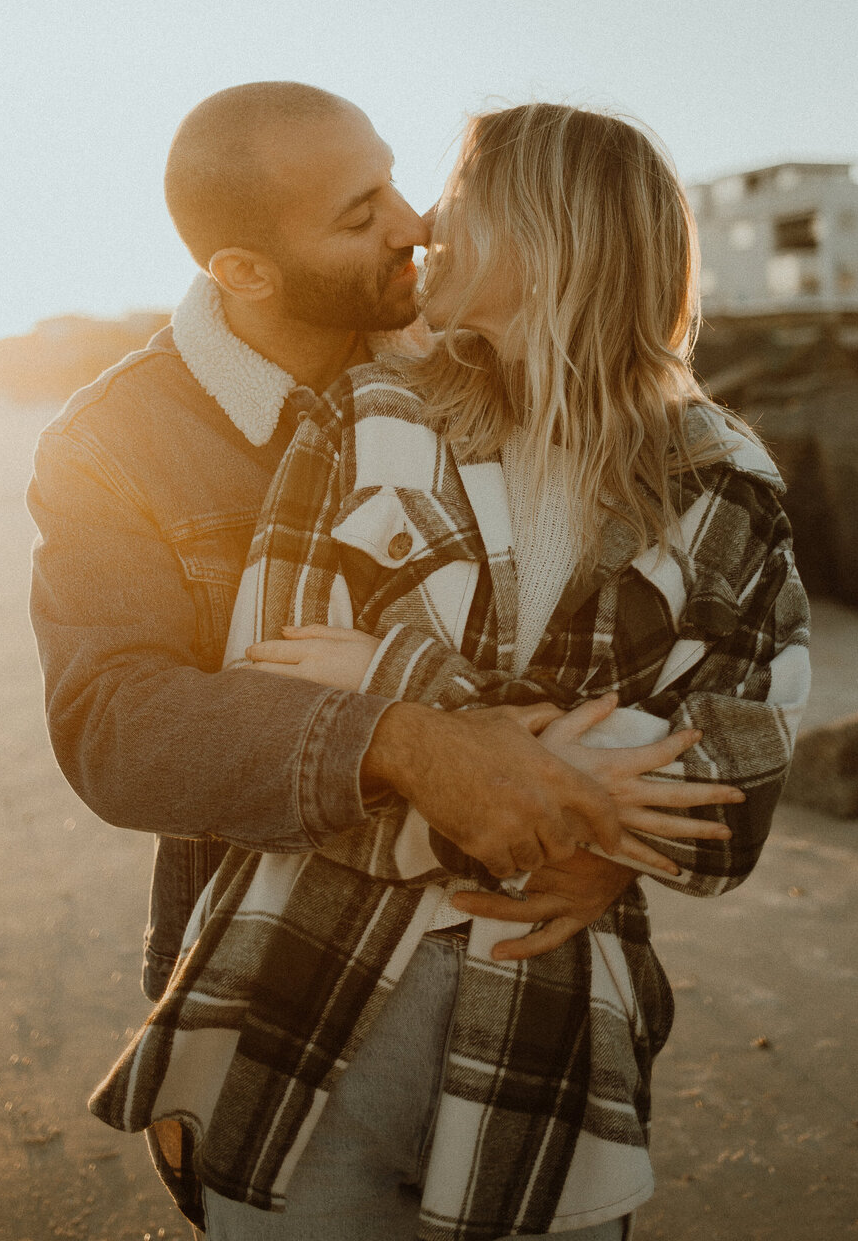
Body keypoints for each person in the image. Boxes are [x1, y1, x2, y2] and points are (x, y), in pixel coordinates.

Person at [90, 103, 811, 1241]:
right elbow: (258, 678)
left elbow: (736, 766)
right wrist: (575, 799)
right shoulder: (368, 413)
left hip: (548, 1019)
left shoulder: (720, 480)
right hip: (303, 988)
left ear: (551, 240)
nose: (422, 222)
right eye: (370, 207)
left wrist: (409, 685)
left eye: (444, 194)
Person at [30, 85, 660, 1198]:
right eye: (358, 213)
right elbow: (113, 727)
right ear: (245, 272)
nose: (414, 221)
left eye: (395, 179)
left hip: (535, 979)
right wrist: (400, 740)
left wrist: (606, 828)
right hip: (276, 991)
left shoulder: (486, 354)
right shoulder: (112, 442)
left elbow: (647, 615)